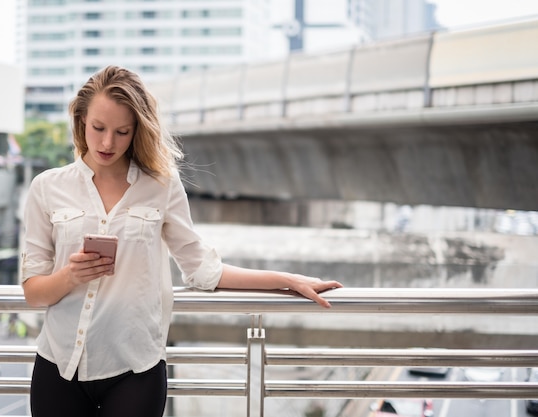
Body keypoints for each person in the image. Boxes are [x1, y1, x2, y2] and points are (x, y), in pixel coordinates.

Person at [20, 65, 343, 417]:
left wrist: (287, 281)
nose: (108, 142)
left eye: (122, 131)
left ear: (137, 131)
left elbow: (204, 270)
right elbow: (34, 292)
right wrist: (70, 275)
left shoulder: (161, 186)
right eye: (98, 128)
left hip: (135, 368)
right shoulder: (47, 188)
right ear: (81, 120)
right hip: (60, 363)